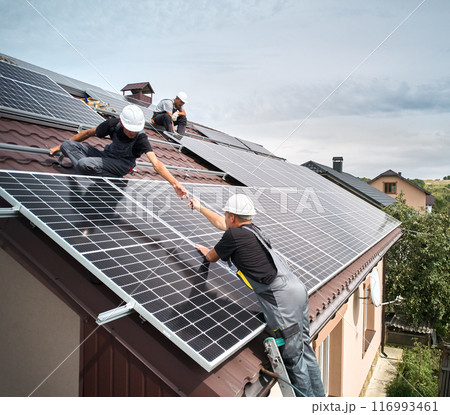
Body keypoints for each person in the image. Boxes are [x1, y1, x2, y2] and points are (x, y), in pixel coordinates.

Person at [188, 194, 325, 397]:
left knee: (293, 357)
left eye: (227, 215)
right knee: (304, 346)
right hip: (297, 289)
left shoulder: (233, 236)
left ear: (232, 217)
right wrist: (200, 208)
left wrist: (206, 251)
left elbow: (211, 257)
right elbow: (221, 223)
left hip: (281, 298)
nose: (224, 219)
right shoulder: (252, 231)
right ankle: (320, 400)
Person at [49, 104, 188, 199]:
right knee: (67, 145)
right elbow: (88, 133)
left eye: (135, 129)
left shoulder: (141, 138)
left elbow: (156, 163)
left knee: (83, 164)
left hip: (123, 164)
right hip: (106, 157)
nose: (133, 132)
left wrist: (175, 183)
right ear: (122, 123)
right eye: (130, 129)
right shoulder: (112, 124)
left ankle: (110, 177)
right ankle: (90, 169)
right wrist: (59, 146)